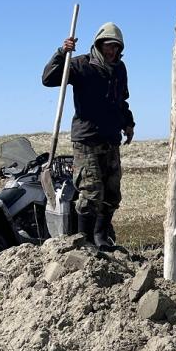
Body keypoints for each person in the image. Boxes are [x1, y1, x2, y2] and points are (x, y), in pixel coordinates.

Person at [42, 22, 134, 251]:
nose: (111, 51)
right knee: (91, 193)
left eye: (115, 47)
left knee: (111, 194)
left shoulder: (119, 69)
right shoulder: (81, 65)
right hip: (86, 140)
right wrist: (62, 53)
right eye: (108, 46)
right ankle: (84, 241)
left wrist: (128, 123)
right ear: (99, 44)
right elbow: (49, 78)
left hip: (111, 139)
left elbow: (121, 101)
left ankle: (101, 238)